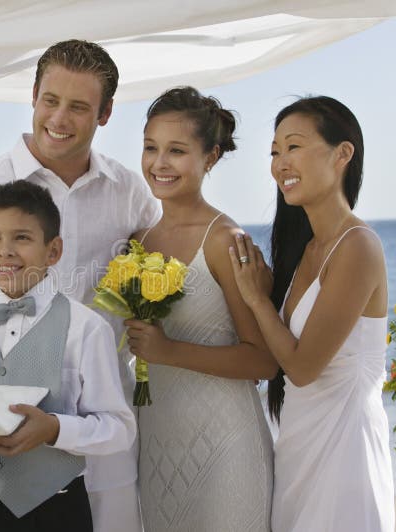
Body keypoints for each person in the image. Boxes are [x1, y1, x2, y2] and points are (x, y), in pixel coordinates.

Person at [0, 39, 159, 531]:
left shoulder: (132, 194)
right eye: (51, 100)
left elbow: (158, 281)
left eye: (79, 106)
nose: (60, 118)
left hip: (101, 444)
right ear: (32, 95)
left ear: (106, 113)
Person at [230, 96, 394, 531]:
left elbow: (302, 368)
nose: (280, 162)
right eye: (274, 151)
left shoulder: (358, 246)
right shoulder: (305, 250)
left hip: (344, 456)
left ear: (343, 154)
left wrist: (257, 299)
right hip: (298, 450)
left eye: (294, 147)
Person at [0, 181, 135, 532]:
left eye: (22, 238)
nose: (5, 250)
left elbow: (119, 428)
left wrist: (55, 429)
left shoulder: (86, 328)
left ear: (53, 251)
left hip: (57, 510)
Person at [122, 87, 275, 532]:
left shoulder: (227, 240)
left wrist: (168, 351)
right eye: (151, 148)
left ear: (209, 158)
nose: (159, 163)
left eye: (176, 151)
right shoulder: (138, 240)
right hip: (157, 444)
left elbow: (263, 360)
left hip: (227, 446)